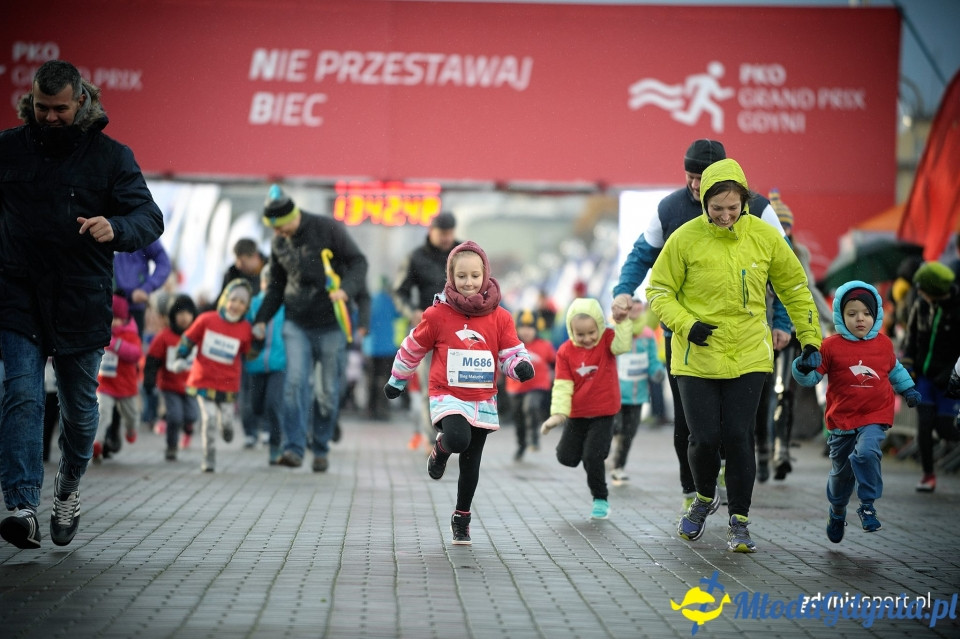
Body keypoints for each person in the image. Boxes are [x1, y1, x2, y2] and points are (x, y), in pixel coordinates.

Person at [0, 60, 163, 550]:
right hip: (17, 295)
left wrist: (116, 228)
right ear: (32, 102)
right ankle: (23, 506)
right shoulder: (8, 148)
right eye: (42, 108)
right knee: (23, 395)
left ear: (81, 103)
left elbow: (148, 216)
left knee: (80, 411)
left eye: (60, 109)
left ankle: (67, 487)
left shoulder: (111, 157)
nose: (49, 117)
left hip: (81, 299)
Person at [645, 158, 821, 553]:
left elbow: (794, 287)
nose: (725, 215)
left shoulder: (764, 236)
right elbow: (658, 291)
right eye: (716, 208)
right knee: (703, 439)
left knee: (740, 437)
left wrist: (810, 338)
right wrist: (686, 324)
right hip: (696, 354)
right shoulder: (685, 238)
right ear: (704, 203)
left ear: (744, 200)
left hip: (748, 354)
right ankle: (704, 498)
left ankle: (739, 521)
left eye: (733, 207)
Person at [612, 139, 791, 516]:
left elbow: (787, 273)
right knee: (690, 425)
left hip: (744, 337)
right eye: (691, 178)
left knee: (735, 426)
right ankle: (691, 488)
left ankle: (726, 477)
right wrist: (623, 291)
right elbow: (642, 255)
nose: (696, 185)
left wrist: (782, 321)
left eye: (702, 178)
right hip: (684, 333)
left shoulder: (760, 210)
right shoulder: (669, 208)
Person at [383, 241, 534, 545]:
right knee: (457, 438)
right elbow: (413, 347)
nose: (469, 283)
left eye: (475, 276)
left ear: (485, 275)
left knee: (471, 461)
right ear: (451, 277)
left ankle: (461, 517)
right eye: (462, 276)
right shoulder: (438, 315)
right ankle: (440, 449)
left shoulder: (501, 317)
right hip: (447, 394)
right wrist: (397, 380)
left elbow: (509, 352)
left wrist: (520, 365)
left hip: (482, 399)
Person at [792, 281, 921, 541]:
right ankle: (837, 510)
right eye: (852, 313)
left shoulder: (884, 344)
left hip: (874, 415)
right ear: (841, 315)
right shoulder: (830, 346)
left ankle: (867, 505)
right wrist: (802, 366)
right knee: (840, 476)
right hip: (842, 420)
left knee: (867, 453)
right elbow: (810, 379)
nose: (860, 319)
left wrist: (908, 389)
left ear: (876, 315)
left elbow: (895, 370)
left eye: (866, 313)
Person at [252, 185, 368, 473]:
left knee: (327, 390)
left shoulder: (328, 229)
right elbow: (277, 287)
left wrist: (346, 289)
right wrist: (262, 319)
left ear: (293, 217)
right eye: (274, 230)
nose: (279, 234)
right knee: (294, 384)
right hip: (296, 323)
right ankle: (293, 448)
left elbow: (359, 262)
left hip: (331, 323)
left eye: (281, 227)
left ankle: (321, 446)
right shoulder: (279, 244)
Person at [540, 298, 632, 519]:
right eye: (580, 335)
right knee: (566, 457)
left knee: (592, 458)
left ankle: (600, 498)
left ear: (599, 326)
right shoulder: (565, 352)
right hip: (577, 414)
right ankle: (596, 449)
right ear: (571, 332)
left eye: (592, 332)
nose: (588, 338)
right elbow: (562, 386)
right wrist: (557, 415)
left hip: (603, 413)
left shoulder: (607, 339)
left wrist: (623, 322)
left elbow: (623, 345)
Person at [766, 189, 833, 481]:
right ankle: (761, 450)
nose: (785, 230)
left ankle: (780, 451)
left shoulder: (799, 252)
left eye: (787, 225)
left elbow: (808, 291)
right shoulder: (759, 244)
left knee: (784, 392)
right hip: (762, 331)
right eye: (780, 224)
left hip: (791, 331)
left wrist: (831, 320)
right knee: (760, 394)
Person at [392, 211, 460, 450]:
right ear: (431, 231)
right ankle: (434, 441)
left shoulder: (462, 254)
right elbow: (399, 291)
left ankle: (459, 433)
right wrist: (412, 311)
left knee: (459, 385)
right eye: (442, 234)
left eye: (450, 233)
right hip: (428, 329)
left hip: (460, 329)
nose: (446, 238)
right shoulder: (415, 258)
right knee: (430, 385)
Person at [176, 279, 254, 473]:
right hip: (204, 379)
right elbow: (189, 338)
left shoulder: (245, 328)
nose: (236, 305)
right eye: (233, 299)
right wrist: (181, 355)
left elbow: (250, 352)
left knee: (226, 421)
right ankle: (208, 458)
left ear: (246, 308)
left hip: (228, 384)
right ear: (225, 298)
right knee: (209, 418)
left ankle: (227, 428)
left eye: (242, 303)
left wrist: (258, 339)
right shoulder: (206, 319)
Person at [900, 261, 960, 492]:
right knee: (924, 424)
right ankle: (928, 475)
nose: (920, 293)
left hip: (949, 380)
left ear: (934, 289)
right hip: (924, 377)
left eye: (923, 289)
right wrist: (908, 365)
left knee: (946, 428)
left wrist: (949, 374)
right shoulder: (920, 306)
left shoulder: (956, 309)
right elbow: (910, 337)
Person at [612, 300, 666, 485]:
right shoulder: (615, 331)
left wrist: (657, 371)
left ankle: (619, 467)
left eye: (638, 307)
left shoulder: (648, 334)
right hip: (616, 392)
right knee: (616, 428)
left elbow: (652, 359)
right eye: (630, 307)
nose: (635, 309)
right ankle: (611, 453)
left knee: (629, 433)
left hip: (638, 393)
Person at [143, 293, 199, 461]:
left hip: (191, 385)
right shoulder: (164, 336)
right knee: (174, 417)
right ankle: (172, 446)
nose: (184, 318)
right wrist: (149, 381)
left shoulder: (197, 335)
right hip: (170, 386)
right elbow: (152, 360)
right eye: (180, 314)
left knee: (192, 416)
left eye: (188, 314)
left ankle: (188, 427)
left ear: (193, 315)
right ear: (173, 316)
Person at [244, 265, 287, 465]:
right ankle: (260, 430)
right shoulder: (252, 304)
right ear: (261, 283)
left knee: (273, 403)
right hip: (255, 362)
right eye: (266, 281)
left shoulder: (285, 306)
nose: (269, 286)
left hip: (279, 363)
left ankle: (275, 445)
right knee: (257, 405)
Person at [93, 295, 143, 461]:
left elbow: (135, 354)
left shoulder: (131, 335)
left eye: (118, 319)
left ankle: (130, 430)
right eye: (111, 318)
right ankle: (97, 444)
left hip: (126, 387)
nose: (114, 322)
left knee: (132, 415)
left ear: (125, 319)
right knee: (102, 413)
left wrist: (115, 344)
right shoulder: (100, 333)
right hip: (106, 385)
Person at [505, 310, 556, 461]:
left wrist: (556, 374)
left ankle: (534, 436)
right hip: (515, 388)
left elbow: (555, 362)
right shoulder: (511, 345)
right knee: (519, 419)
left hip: (538, 385)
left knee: (531, 406)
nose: (526, 331)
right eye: (523, 327)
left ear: (537, 328)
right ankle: (521, 445)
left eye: (530, 328)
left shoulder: (545, 345)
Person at [363, 277, 400, 421]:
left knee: (370, 379)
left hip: (370, 347)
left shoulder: (371, 300)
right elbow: (400, 314)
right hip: (387, 348)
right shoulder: (391, 301)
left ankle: (370, 409)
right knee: (385, 379)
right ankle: (383, 409)